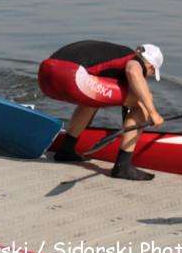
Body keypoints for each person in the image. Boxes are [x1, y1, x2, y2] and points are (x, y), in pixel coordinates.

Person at [38, 40, 165, 181]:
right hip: (71, 75)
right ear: (150, 66)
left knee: (94, 95)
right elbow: (133, 71)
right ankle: (123, 167)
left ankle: (66, 149)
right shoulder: (134, 59)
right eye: (150, 74)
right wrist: (153, 112)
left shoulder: (116, 54)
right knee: (143, 100)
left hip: (45, 75)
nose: (147, 77)